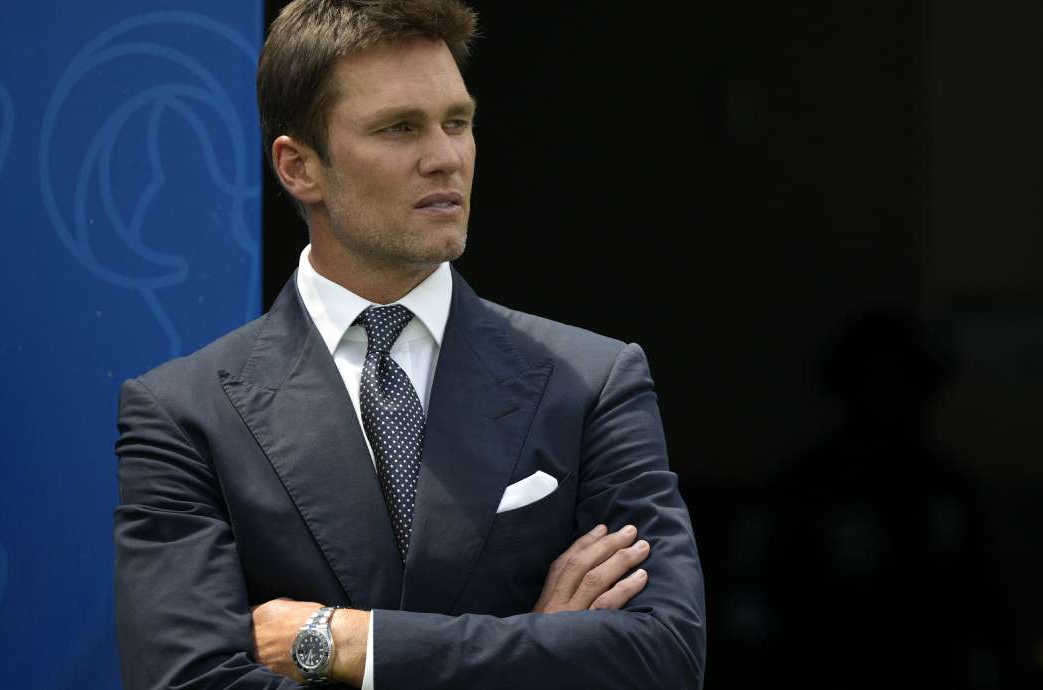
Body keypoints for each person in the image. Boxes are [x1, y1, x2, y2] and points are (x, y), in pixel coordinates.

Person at [111, 1, 705, 688]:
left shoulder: (594, 381)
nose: (445, 157)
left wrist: (346, 643)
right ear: (300, 167)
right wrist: (536, 647)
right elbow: (189, 682)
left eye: (458, 122)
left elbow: (664, 658)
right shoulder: (183, 414)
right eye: (400, 128)